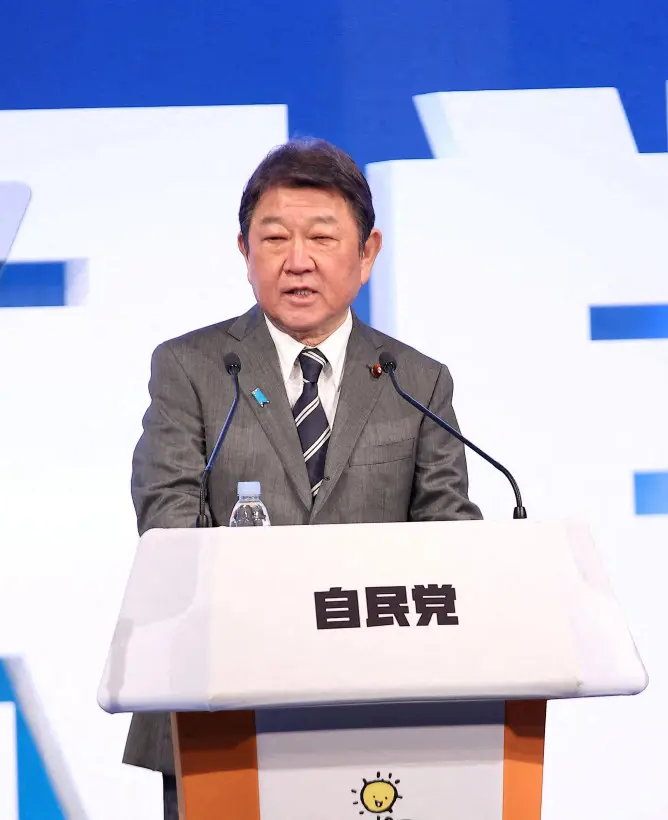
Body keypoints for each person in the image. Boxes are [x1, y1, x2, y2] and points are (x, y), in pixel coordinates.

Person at [123, 137, 484, 819]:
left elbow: (451, 536)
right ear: (243, 250)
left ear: (368, 252)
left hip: (381, 709)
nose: (298, 262)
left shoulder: (416, 379)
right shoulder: (193, 369)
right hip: (221, 703)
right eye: (275, 237)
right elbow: (166, 524)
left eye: (322, 237)